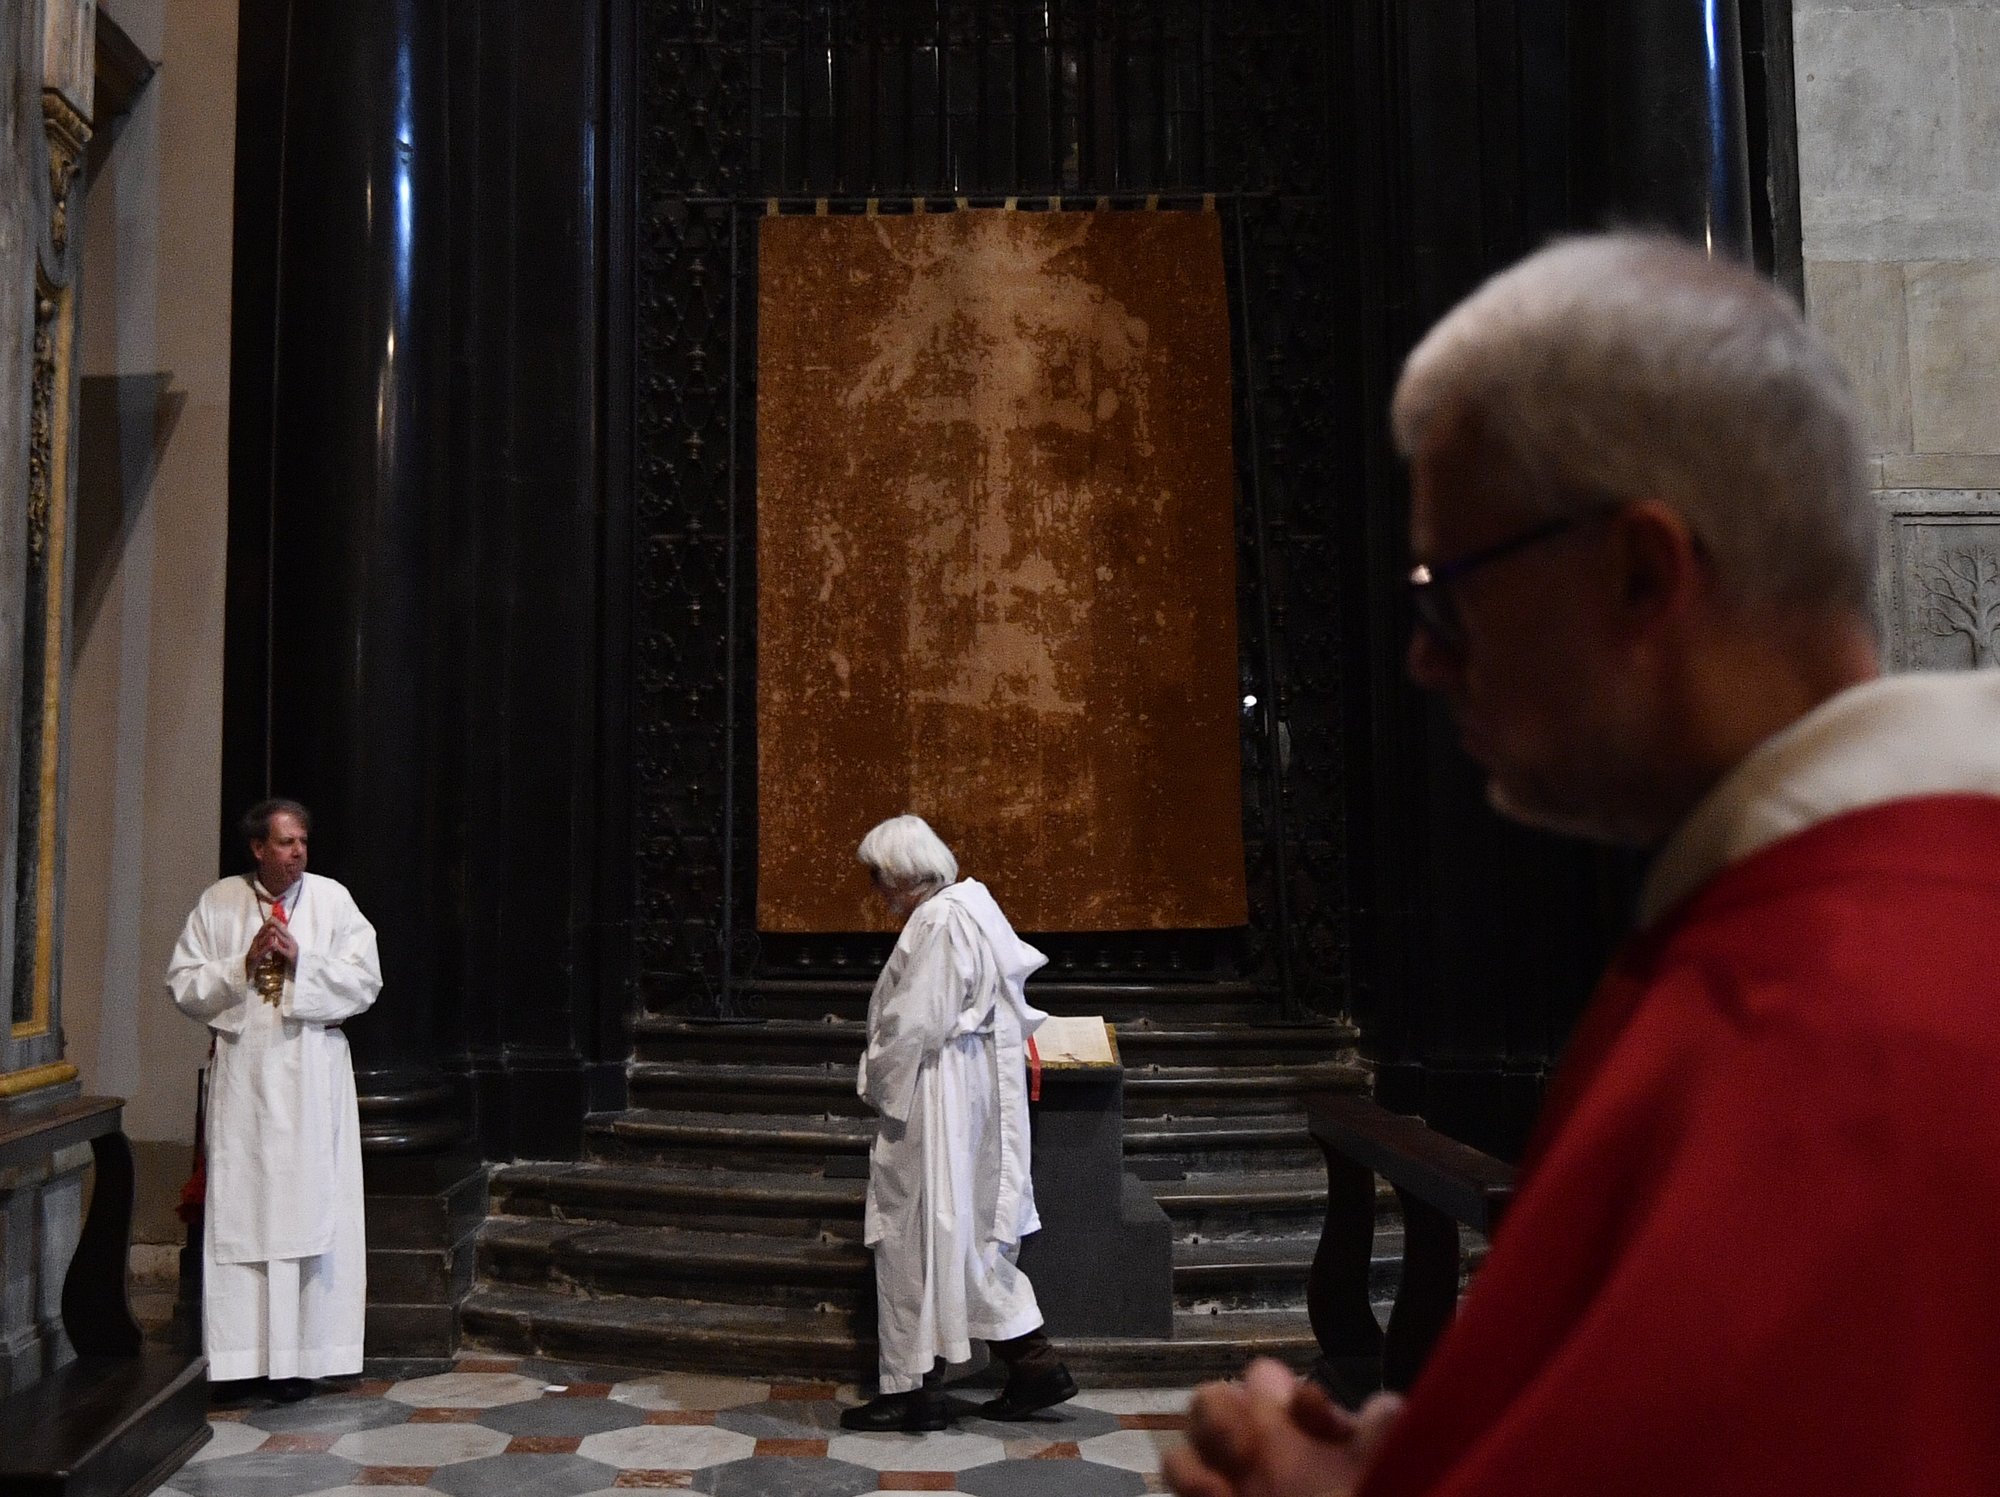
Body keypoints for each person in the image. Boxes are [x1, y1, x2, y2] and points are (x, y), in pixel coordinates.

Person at [1166, 232, 2000, 1497]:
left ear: (1638, 572)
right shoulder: (1873, 910)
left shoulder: (1819, 1037)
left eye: (1447, 596)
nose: (1423, 662)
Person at [840, 814, 1079, 1432]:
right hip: (962, 1085)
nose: (878, 891)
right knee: (961, 1234)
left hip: (936, 1088)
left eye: (880, 877)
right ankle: (1032, 1368)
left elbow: (915, 1020)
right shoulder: (966, 908)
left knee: (914, 1228)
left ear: (906, 873)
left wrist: (874, 1076)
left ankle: (913, 1389)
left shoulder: (942, 919)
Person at [166, 798, 381, 1402]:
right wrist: (245, 963)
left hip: (312, 1072)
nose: (298, 853)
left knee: (309, 1208)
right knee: (245, 1211)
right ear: (258, 848)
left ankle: (301, 1358)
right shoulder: (220, 903)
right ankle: (241, 1360)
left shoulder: (333, 901)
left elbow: (366, 980)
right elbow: (182, 984)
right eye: (286, 843)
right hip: (247, 1076)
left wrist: (300, 961)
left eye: (303, 842)